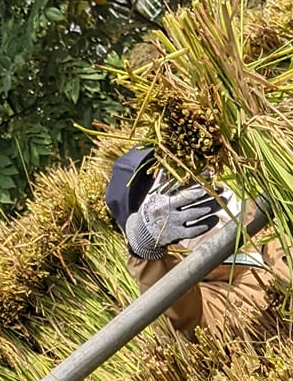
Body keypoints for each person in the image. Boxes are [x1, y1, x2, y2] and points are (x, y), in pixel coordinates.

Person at [104, 144, 279, 340]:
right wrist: (144, 251)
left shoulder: (271, 203)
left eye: (183, 174)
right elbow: (181, 324)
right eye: (170, 195)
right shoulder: (204, 304)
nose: (189, 188)